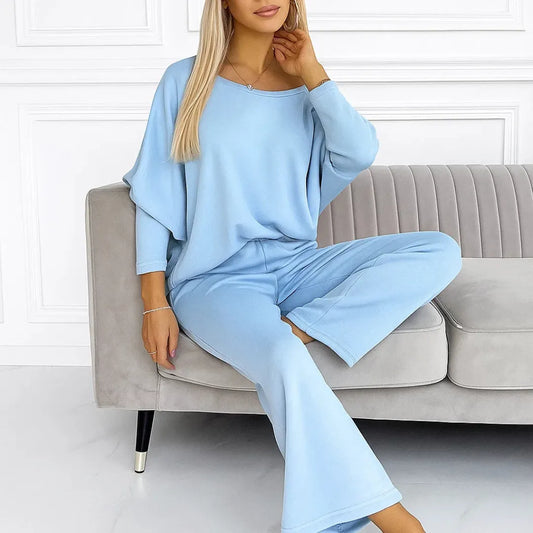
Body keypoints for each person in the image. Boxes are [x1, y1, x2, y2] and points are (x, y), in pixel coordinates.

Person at [122, 1, 462, 532]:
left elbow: (358, 153)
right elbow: (154, 194)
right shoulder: (184, 81)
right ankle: (393, 518)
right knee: (281, 356)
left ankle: (303, 326)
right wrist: (154, 300)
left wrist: (313, 73)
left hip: (299, 266)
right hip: (215, 281)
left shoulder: (306, 88)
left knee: (439, 248)